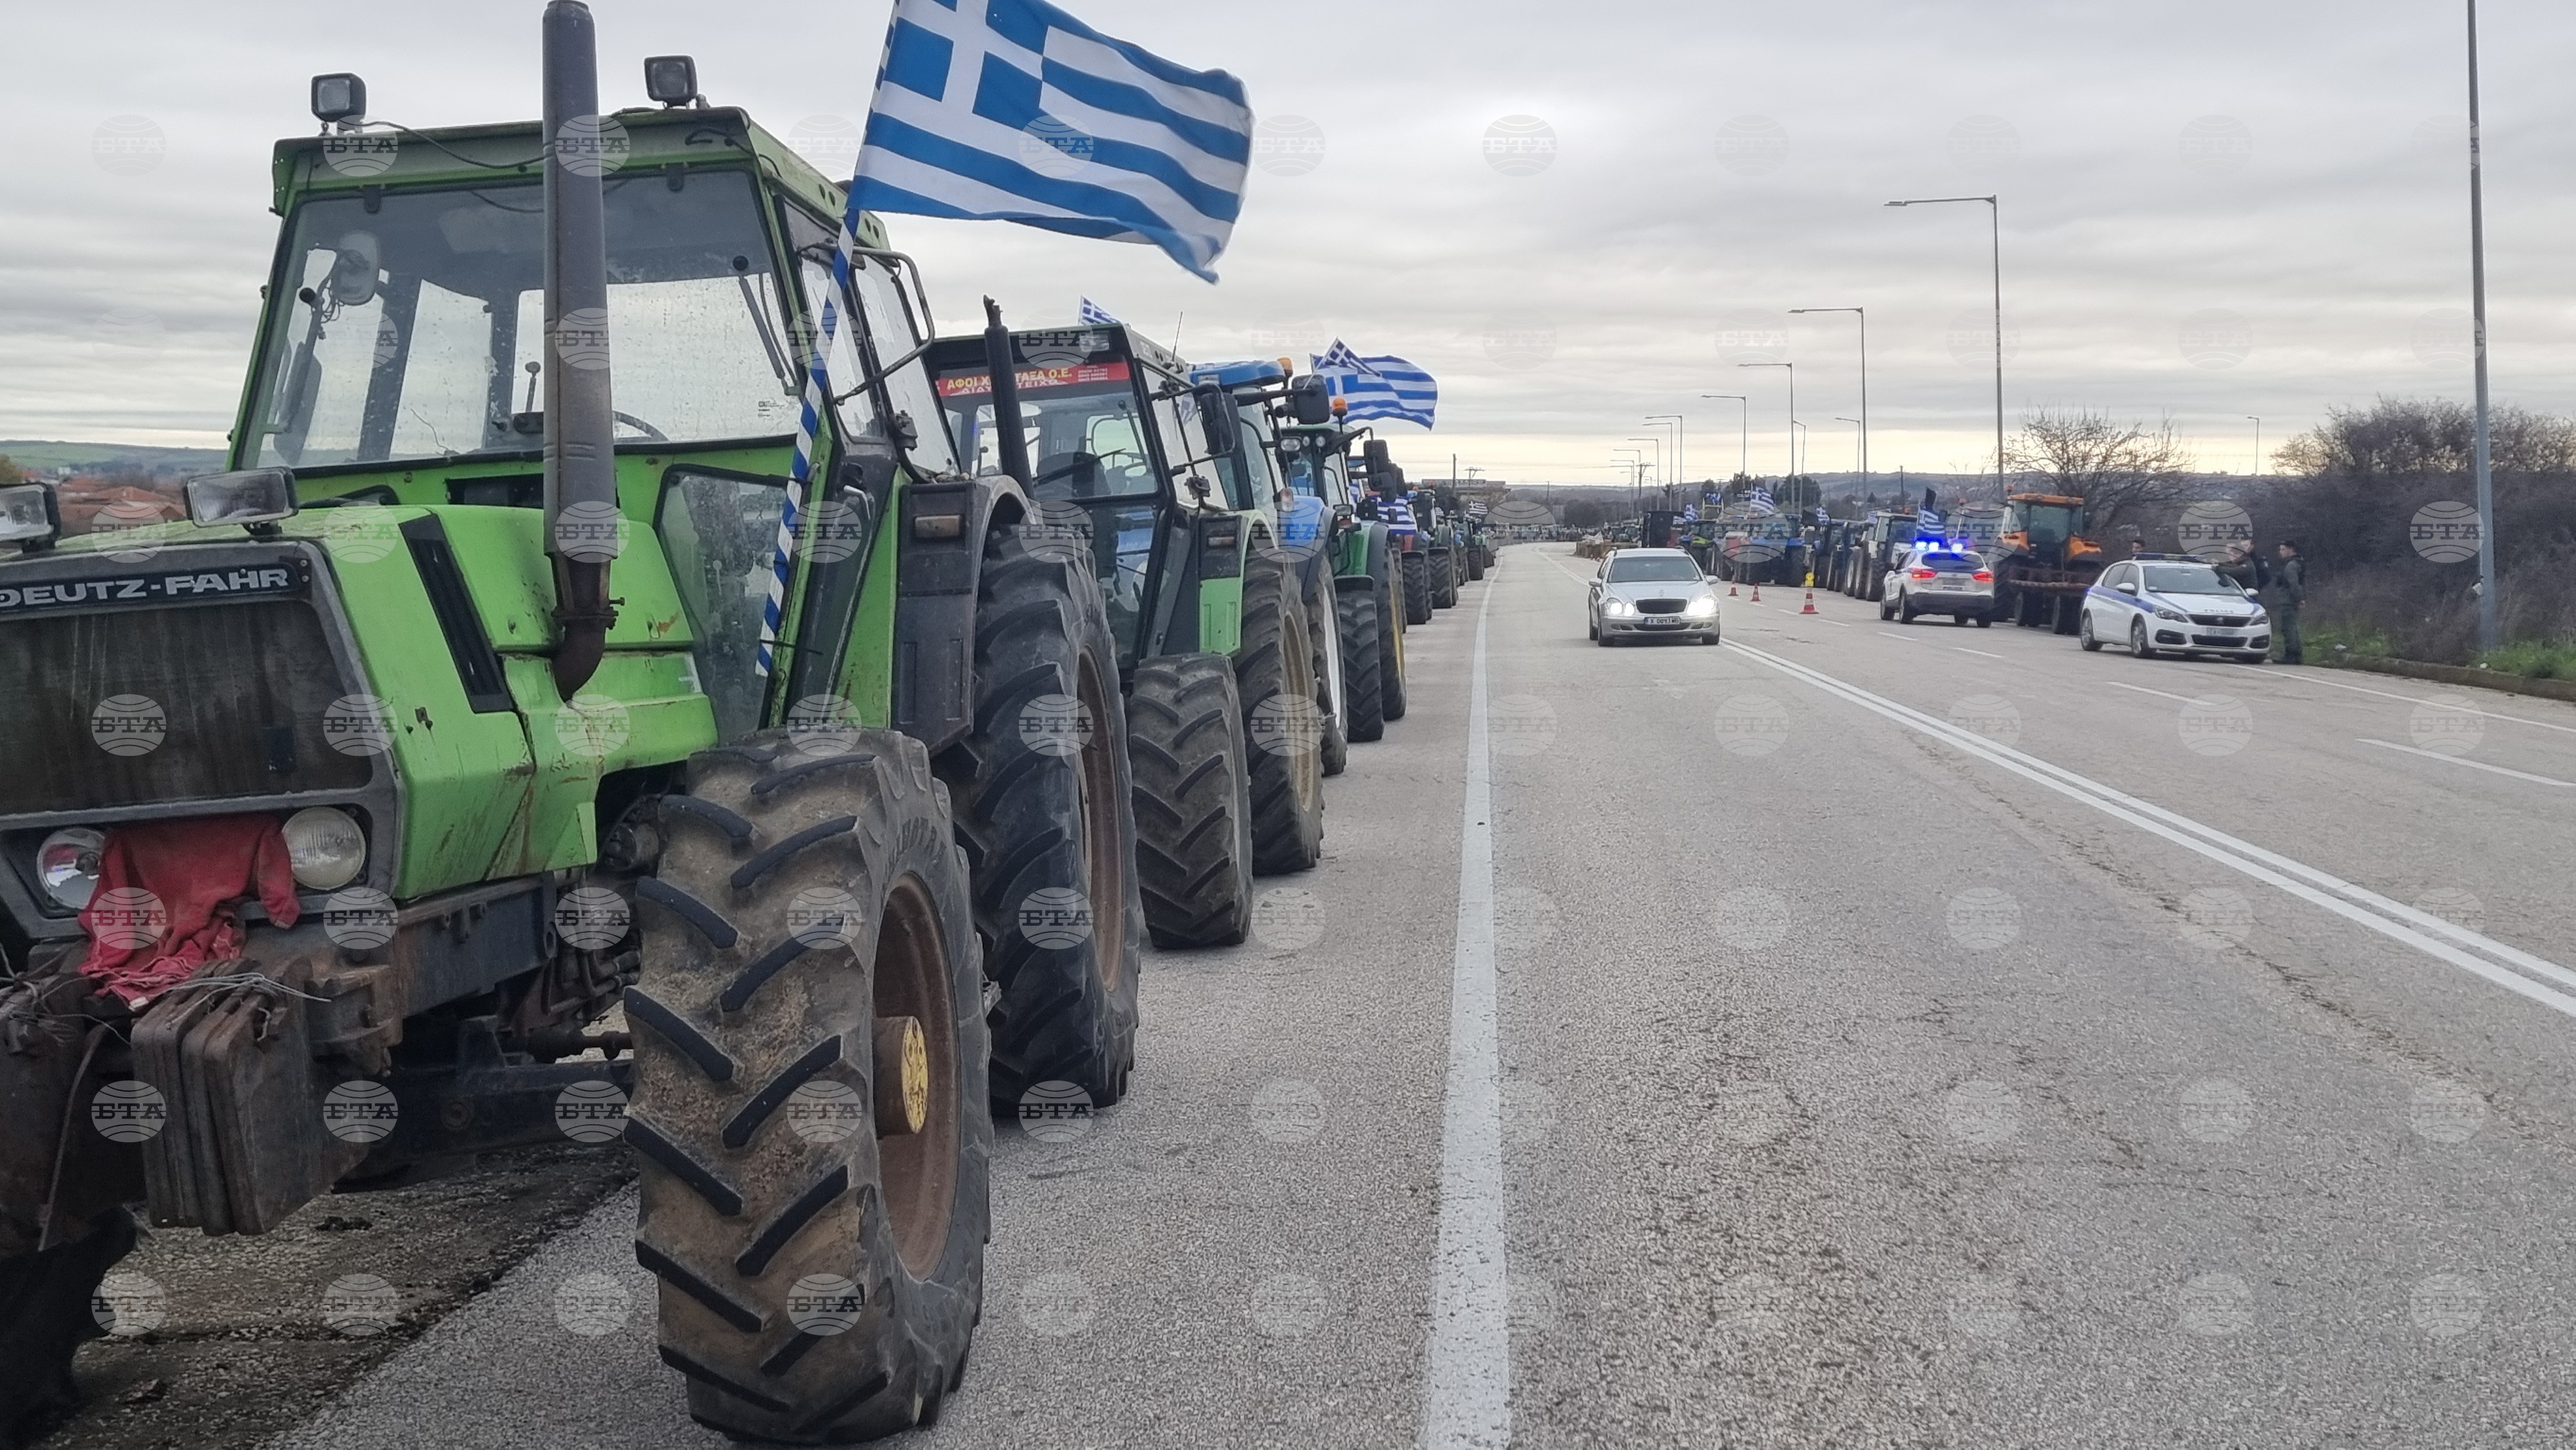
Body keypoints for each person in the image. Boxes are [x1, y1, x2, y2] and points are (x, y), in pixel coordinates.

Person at [2268, 539, 2306, 664]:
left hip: (2288, 601)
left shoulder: (2291, 566)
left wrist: (2298, 599)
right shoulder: (2296, 563)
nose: (2281, 552)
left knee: (2288, 629)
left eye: (2283, 549)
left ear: (2291, 550)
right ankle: (2296, 654)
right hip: (2290, 600)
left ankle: (2292, 655)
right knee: (2293, 628)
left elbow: (2293, 585)